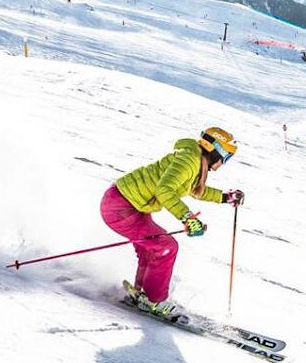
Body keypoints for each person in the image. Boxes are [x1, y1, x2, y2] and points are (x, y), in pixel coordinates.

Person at [103, 127, 246, 320]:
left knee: (152, 248)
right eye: (226, 157)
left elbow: (196, 190)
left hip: (130, 205)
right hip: (121, 207)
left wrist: (224, 197)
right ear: (215, 150)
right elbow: (165, 191)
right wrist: (187, 217)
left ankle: (143, 293)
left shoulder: (194, 161)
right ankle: (155, 301)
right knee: (166, 247)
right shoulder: (189, 160)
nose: (224, 163)